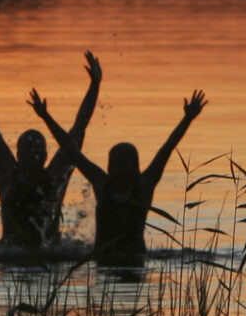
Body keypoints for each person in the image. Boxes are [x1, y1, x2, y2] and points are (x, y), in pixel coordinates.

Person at [29, 87, 205, 264]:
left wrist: (187, 119)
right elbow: (72, 151)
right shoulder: (101, 183)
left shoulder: (145, 184)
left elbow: (167, 148)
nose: (118, 167)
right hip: (102, 262)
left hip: (136, 262)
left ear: (134, 165)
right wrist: (46, 117)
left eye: (123, 162)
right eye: (114, 163)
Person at [0, 44, 100, 251]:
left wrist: (95, 85)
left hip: (46, 252)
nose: (33, 152)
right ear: (17, 154)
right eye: (28, 148)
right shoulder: (7, 175)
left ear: (46, 155)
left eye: (38, 148)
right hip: (12, 252)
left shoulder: (55, 177)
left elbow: (78, 129)